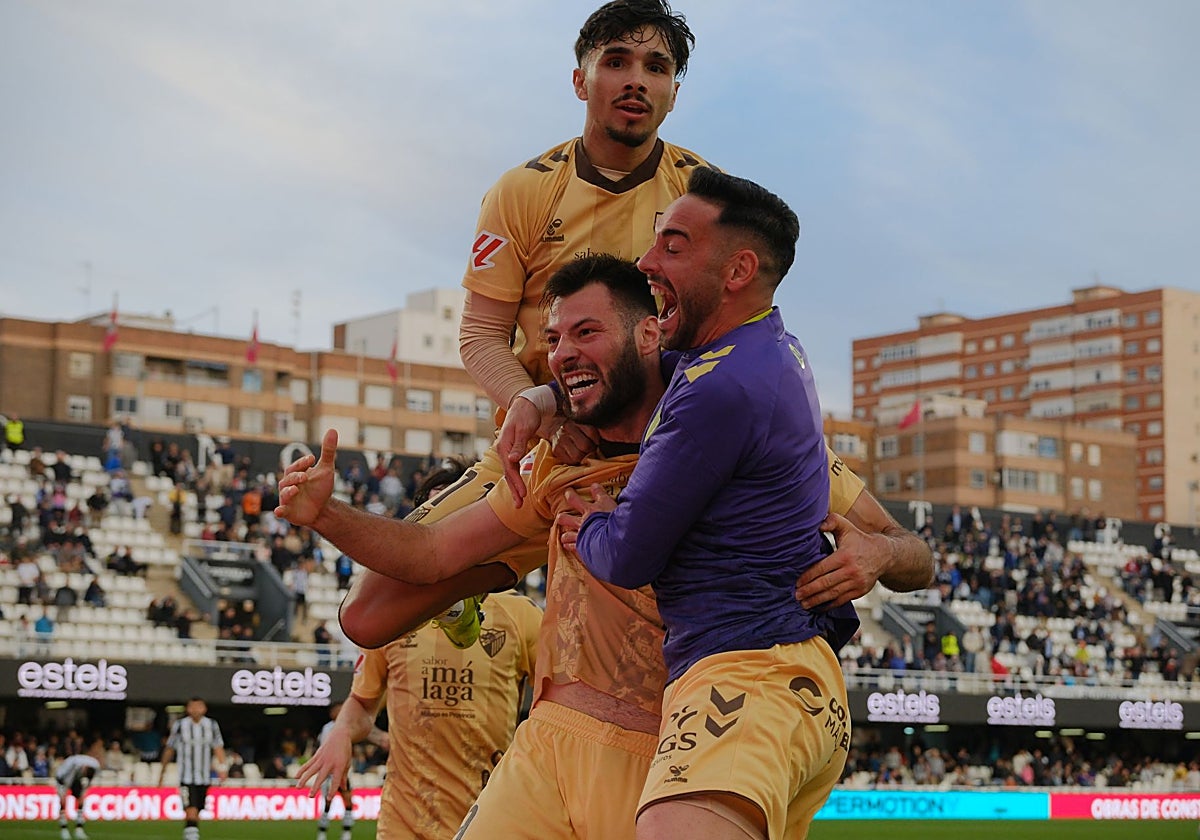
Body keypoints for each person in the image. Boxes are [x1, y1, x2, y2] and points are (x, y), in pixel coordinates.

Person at [277, 256, 933, 839]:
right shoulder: (555, 458)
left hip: (669, 746)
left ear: (650, 332)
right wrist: (327, 515)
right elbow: (429, 554)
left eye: (587, 332)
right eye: (555, 339)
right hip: (548, 743)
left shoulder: (751, 421)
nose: (563, 353)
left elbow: (914, 550)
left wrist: (878, 556)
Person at [339, 0, 714, 650]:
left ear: (674, 92)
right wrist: (539, 409)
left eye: (656, 67)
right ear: (581, 80)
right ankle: (504, 562)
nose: (636, 81)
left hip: (662, 453)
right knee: (364, 616)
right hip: (547, 447)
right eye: (616, 61)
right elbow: (479, 335)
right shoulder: (524, 192)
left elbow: (724, 334)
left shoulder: (703, 195)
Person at [563, 167, 857, 838]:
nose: (646, 261)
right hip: (790, 676)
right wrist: (548, 395)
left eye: (673, 244)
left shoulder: (719, 389)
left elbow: (630, 552)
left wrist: (590, 526)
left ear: (737, 269)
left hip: (747, 675)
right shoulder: (766, 349)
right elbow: (649, 372)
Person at [296, 466, 542, 839]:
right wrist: (342, 733)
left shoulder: (521, 615)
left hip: (488, 820)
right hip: (403, 823)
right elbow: (363, 705)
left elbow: (554, 705)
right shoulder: (388, 622)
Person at [158, 697, 227, 840]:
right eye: (192, 707)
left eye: (199, 706)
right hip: (186, 777)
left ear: (204, 709)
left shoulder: (211, 725)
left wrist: (222, 768)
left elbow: (218, 747)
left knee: (197, 811)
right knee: (191, 811)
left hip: (204, 777)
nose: (195, 709)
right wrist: (162, 771)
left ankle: (189, 834)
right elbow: (170, 749)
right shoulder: (180, 725)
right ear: (187, 709)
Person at [312, 702, 360, 840]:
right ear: (332, 713)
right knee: (328, 802)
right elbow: (323, 748)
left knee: (348, 800)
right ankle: (322, 832)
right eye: (337, 710)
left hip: (344, 771)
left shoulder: (348, 727)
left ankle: (346, 832)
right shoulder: (327, 728)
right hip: (329, 772)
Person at [55, 752, 100, 840]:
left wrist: (84, 790)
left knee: (81, 799)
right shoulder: (72, 765)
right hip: (63, 777)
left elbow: (90, 779)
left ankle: (79, 829)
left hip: (77, 777)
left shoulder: (95, 766)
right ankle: (64, 828)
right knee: (63, 800)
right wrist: (63, 792)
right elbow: (66, 782)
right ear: (84, 768)